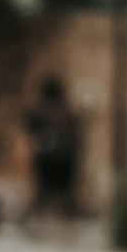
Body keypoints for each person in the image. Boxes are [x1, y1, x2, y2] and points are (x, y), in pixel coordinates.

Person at [26, 76, 82, 220]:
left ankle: (49, 215)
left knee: (49, 193)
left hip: (52, 159)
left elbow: (32, 130)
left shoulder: (45, 111)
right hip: (61, 159)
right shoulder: (66, 111)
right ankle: (56, 215)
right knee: (60, 193)